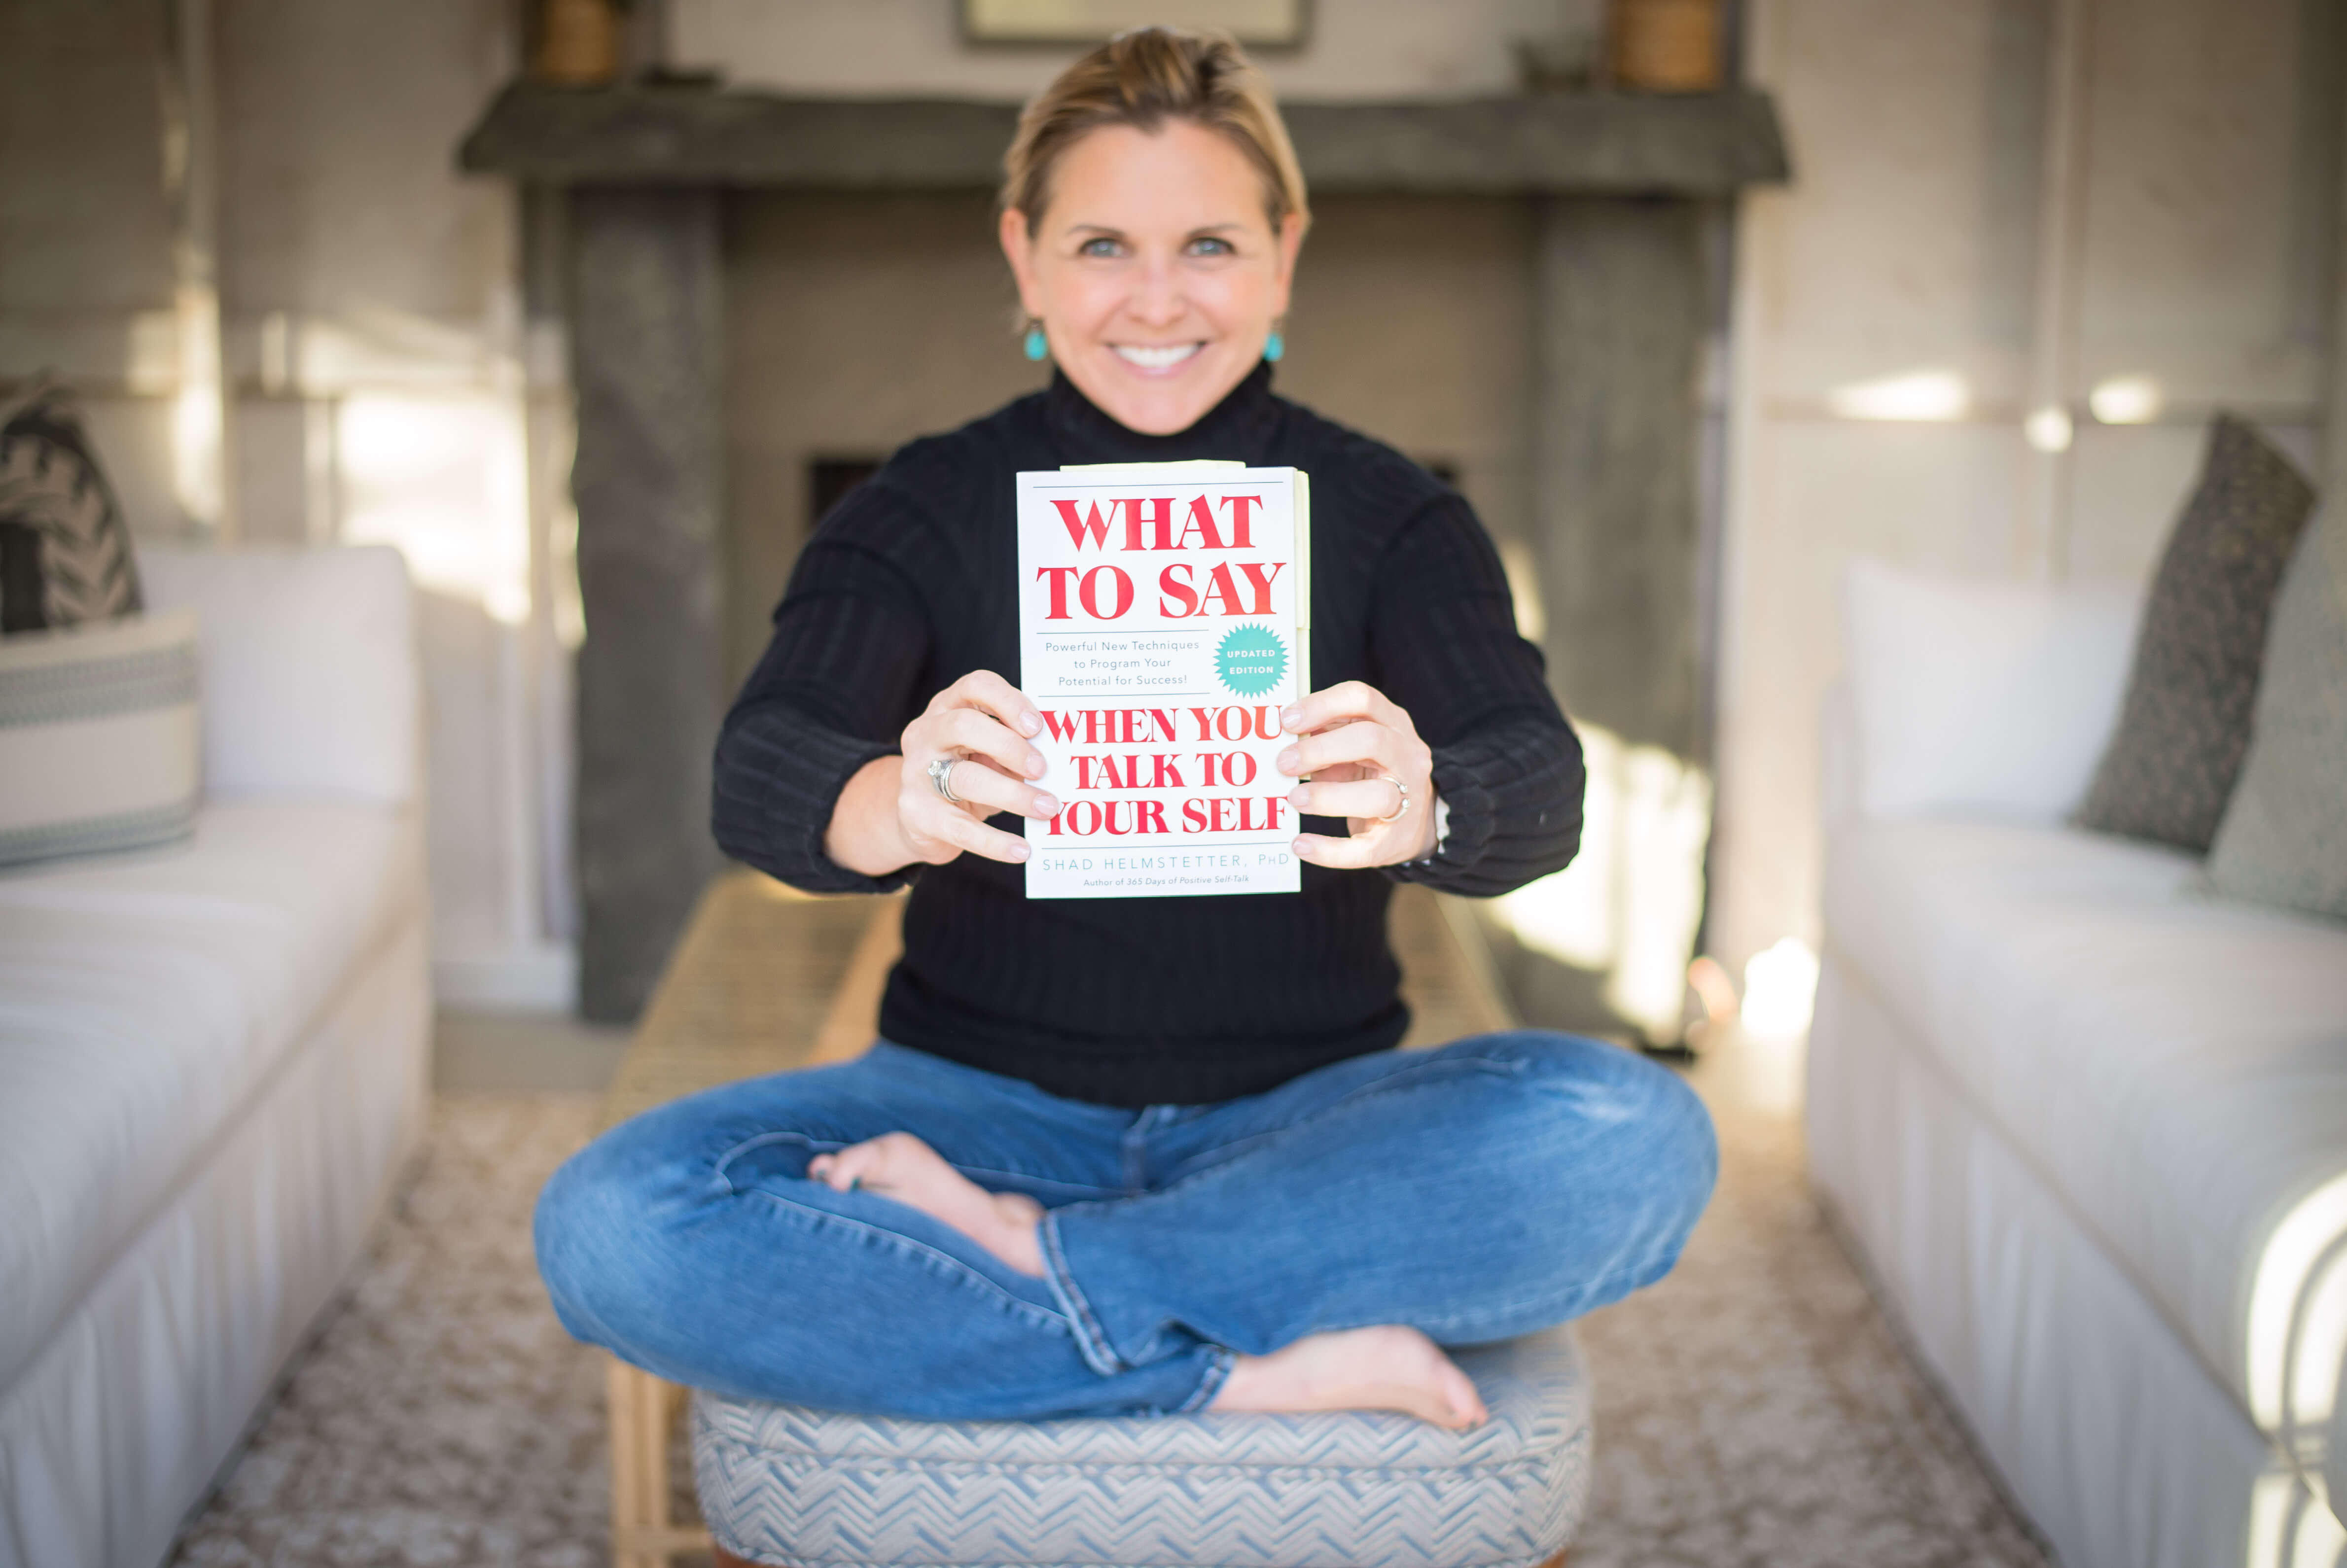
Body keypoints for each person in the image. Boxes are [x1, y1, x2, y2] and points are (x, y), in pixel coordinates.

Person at [534, 25, 1715, 1431]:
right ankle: (1238, 1366)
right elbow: (762, 764)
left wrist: (1431, 805)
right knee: (615, 1227)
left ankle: (1026, 1260)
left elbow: (1540, 778)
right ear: (1025, 258)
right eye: (1103, 247)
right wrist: (890, 800)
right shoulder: (924, 505)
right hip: (971, 1101)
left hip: (1306, 1128)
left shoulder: (1393, 514)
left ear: (1285, 254)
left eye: (1209, 245)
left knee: (1635, 1138)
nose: (1157, 301)